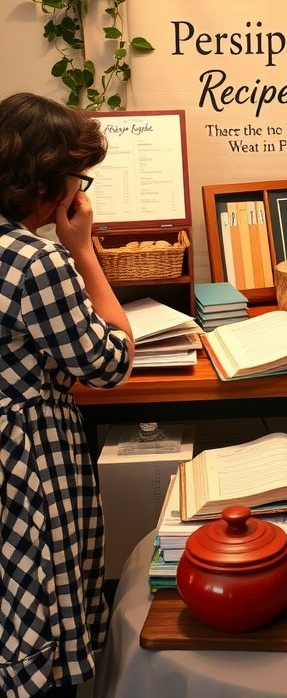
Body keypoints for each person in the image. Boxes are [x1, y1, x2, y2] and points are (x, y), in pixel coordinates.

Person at [0, 93, 135, 698]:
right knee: (39, 600)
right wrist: (82, 248)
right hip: (27, 461)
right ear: (49, 183)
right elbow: (111, 362)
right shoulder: (34, 261)